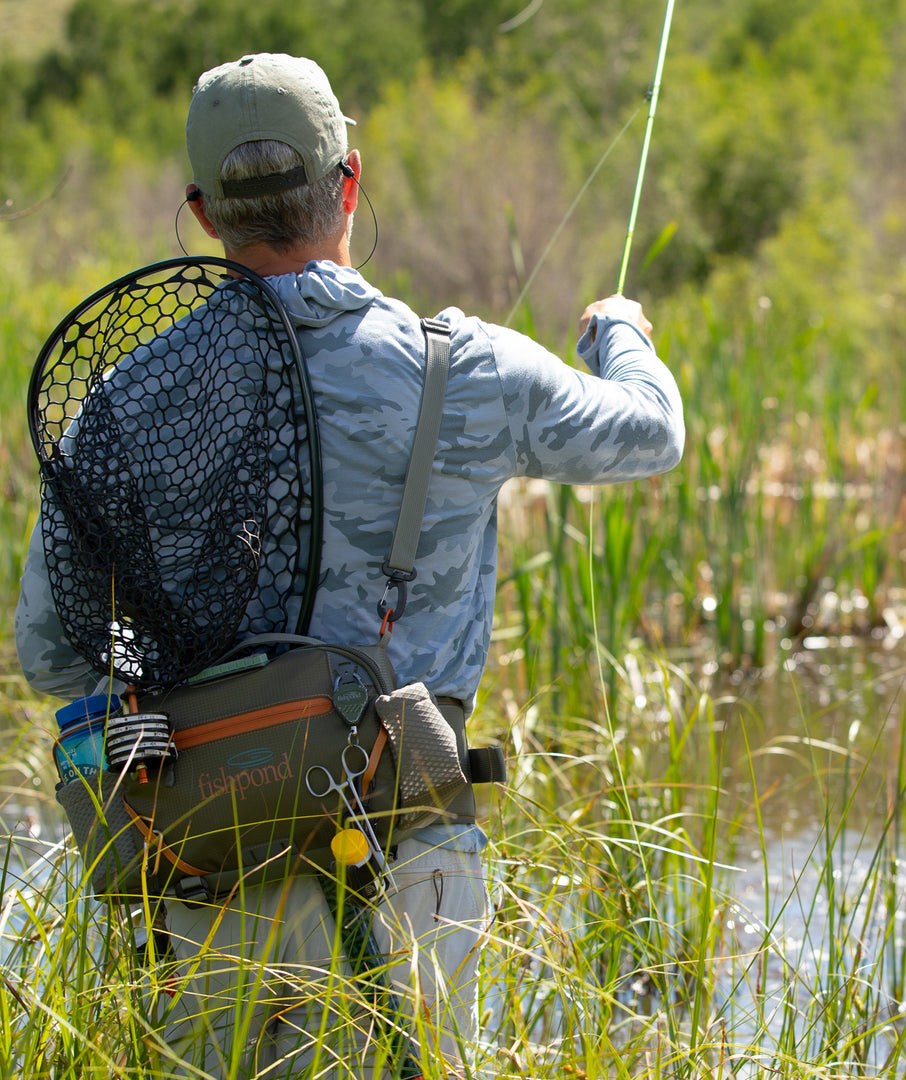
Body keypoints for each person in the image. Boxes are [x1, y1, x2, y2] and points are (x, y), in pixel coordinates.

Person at [15, 52, 684, 1078]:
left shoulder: (122, 396)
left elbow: (52, 653)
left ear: (201, 213)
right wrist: (621, 332)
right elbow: (652, 433)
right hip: (411, 846)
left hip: (208, 863)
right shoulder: (472, 369)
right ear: (351, 183)